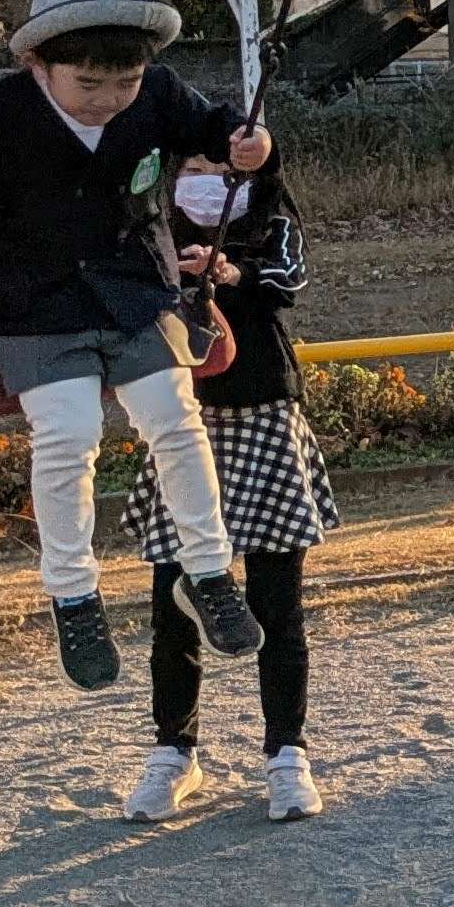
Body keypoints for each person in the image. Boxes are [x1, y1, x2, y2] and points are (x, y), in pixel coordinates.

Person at [0, 0, 272, 694]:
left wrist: (247, 142)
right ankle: (73, 595)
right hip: (32, 302)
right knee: (68, 436)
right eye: (88, 84)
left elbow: (220, 125)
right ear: (39, 63)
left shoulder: (158, 93)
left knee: (175, 421)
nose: (107, 100)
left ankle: (208, 572)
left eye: (124, 83)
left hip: (134, 290)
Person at [126, 154, 339, 822]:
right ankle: (174, 752)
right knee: (175, 604)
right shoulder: (153, 224)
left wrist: (230, 273)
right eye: (194, 164)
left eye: (222, 167)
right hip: (182, 421)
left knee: (278, 606)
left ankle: (287, 754)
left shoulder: (272, 218)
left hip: (263, 413)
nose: (206, 178)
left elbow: (289, 280)